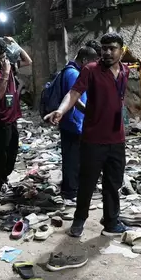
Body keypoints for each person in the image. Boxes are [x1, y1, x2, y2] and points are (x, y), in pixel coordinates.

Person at [44, 32, 130, 237]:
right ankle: (79, 220)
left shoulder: (125, 71)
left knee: (113, 183)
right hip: (93, 139)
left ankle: (111, 221)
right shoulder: (91, 70)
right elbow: (73, 93)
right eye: (104, 48)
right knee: (87, 183)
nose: (108, 52)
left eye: (113, 48)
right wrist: (61, 110)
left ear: (121, 50)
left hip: (117, 138)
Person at [0, 37, 32, 194]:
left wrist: (15, 43)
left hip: (12, 116)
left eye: (4, 55)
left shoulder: (9, 64)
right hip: (0, 120)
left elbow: (28, 61)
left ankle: (5, 177)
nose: (2, 59)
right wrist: (5, 74)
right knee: (1, 153)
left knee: (12, 152)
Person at [60, 46, 100, 206]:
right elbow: (74, 98)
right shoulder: (73, 73)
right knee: (72, 159)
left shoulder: (70, 70)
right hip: (73, 123)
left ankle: (73, 189)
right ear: (84, 61)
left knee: (76, 158)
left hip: (74, 122)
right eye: (91, 63)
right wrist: (91, 113)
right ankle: (69, 192)